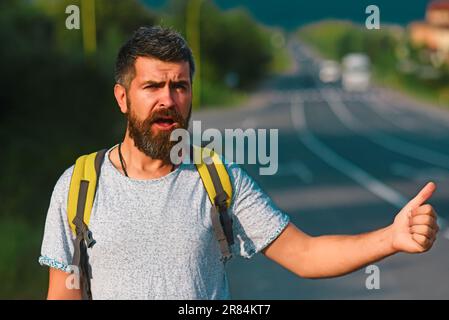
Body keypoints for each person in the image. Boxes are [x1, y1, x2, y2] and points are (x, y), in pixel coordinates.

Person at [38, 26, 439, 300]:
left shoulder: (217, 179)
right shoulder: (80, 185)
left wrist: (391, 238)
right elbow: (64, 292)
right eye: (152, 86)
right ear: (123, 98)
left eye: (180, 86)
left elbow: (306, 255)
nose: (168, 99)